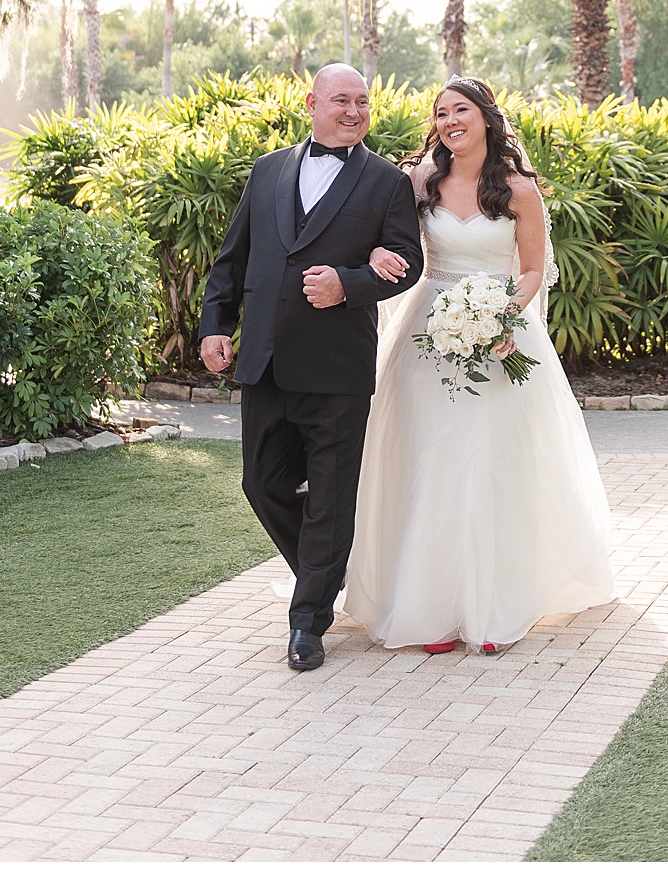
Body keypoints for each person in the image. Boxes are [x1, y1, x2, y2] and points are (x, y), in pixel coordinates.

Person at [342, 77, 617, 652]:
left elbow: (535, 269)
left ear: (486, 117)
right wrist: (374, 252)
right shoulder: (422, 179)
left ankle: (493, 609)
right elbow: (387, 238)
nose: (449, 122)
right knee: (430, 459)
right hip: (428, 332)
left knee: (491, 464)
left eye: (460, 110)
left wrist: (507, 315)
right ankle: (431, 610)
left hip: (503, 336)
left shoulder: (519, 190)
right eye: (440, 113)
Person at [198, 64, 425, 673]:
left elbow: (409, 259)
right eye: (341, 100)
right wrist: (214, 325)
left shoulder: (386, 182)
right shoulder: (269, 168)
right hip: (266, 359)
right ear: (312, 103)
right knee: (261, 482)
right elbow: (233, 257)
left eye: (362, 102)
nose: (353, 111)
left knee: (329, 495)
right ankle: (330, 570)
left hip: (336, 366)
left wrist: (348, 284)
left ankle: (308, 621)